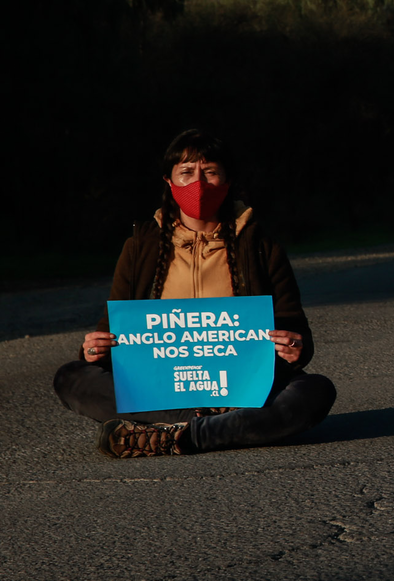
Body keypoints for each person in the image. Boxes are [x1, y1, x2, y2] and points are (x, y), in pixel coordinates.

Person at [54, 130, 337, 458]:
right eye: (186, 173)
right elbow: (113, 332)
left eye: (210, 172)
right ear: (169, 182)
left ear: (228, 180)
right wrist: (94, 350)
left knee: (314, 391)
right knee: (70, 377)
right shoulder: (140, 248)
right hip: (161, 392)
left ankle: (172, 436)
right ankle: (206, 427)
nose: (198, 184)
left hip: (242, 392)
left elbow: (295, 329)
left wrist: (295, 348)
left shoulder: (261, 247)